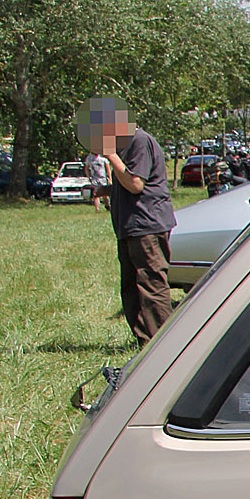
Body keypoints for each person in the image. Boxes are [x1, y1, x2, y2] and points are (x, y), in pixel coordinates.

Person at [81, 97, 176, 345]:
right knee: (132, 286)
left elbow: (136, 184)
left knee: (151, 284)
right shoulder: (126, 144)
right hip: (130, 226)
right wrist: (104, 191)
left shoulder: (138, 141)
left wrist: (110, 155)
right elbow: (127, 183)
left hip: (147, 224)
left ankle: (162, 344)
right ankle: (144, 340)